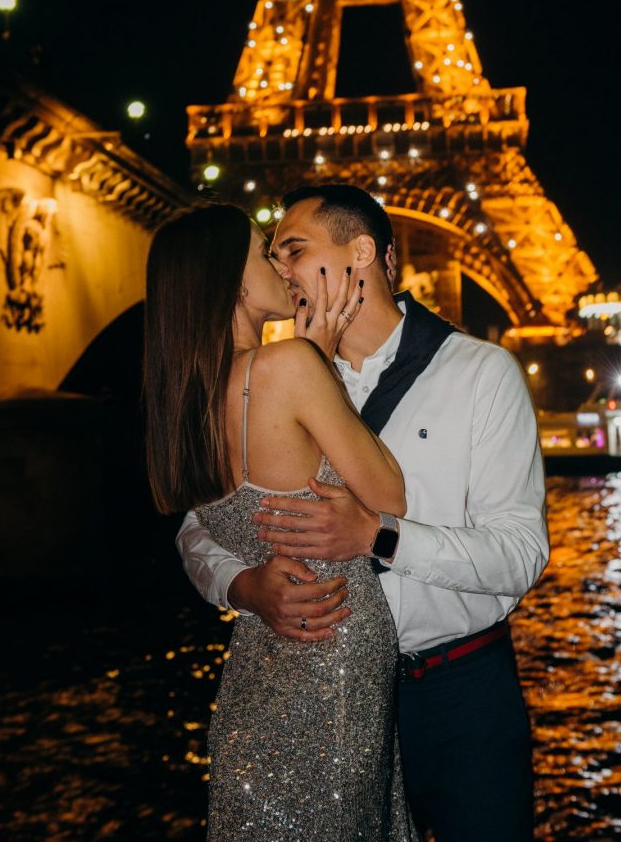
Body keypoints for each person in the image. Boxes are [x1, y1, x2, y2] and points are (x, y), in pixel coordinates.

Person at [177, 185, 550, 842]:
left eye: (293, 250)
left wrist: (383, 537)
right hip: (326, 696)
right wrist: (240, 584)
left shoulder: (481, 372)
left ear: (362, 253)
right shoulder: (274, 371)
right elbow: (197, 524)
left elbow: (520, 552)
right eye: (271, 257)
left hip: (457, 693)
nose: (281, 268)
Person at [143, 203, 418, 841]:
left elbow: (205, 527)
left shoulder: (184, 404)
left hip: (262, 653)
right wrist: (316, 360)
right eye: (264, 254)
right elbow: (389, 494)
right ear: (233, 283)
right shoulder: (289, 366)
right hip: (339, 642)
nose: (281, 266)